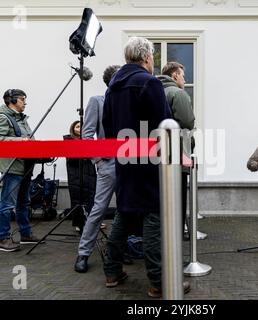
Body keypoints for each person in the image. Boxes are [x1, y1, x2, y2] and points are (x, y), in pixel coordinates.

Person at [102, 36, 190, 298]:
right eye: (153, 56)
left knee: (125, 213)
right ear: (147, 58)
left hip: (124, 160)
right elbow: (165, 124)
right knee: (154, 218)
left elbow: (107, 127)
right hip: (150, 161)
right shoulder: (148, 82)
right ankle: (158, 280)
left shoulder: (113, 86)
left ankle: (111, 271)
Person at [74, 65, 121, 273]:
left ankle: (121, 250)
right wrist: (98, 160)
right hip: (108, 164)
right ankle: (83, 253)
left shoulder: (128, 103)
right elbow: (87, 134)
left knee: (128, 208)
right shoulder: (97, 101)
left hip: (130, 164)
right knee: (98, 209)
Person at [0, 89, 42, 252]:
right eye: (22, 99)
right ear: (11, 100)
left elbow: (28, 139)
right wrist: (21, 140)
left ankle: (25, 234)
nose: (25, 103)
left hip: (25, 166)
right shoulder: (3, 117)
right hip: (12, 167)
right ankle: (3, 239)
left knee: (23, 202)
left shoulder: (22, 119)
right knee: (7, 204)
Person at [157, 62, 195, 240]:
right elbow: (187, 122)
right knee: (178, 198)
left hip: (155, 154)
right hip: (177, 154)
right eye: (183, 76)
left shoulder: (154, 91)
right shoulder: (178, 94)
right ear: (174, 76)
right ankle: (176, 236)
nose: (185, 80)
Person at [63, 120, 97, 233]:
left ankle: (91, 222)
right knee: (77, 199)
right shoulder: (68, 140)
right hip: (76, 176)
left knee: (91, 198)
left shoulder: (89, 140)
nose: (80, 128)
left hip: (89, 175)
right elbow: (71, 159)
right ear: (73, 129)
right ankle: (78, 223)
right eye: (77, 126)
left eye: (82, 126)